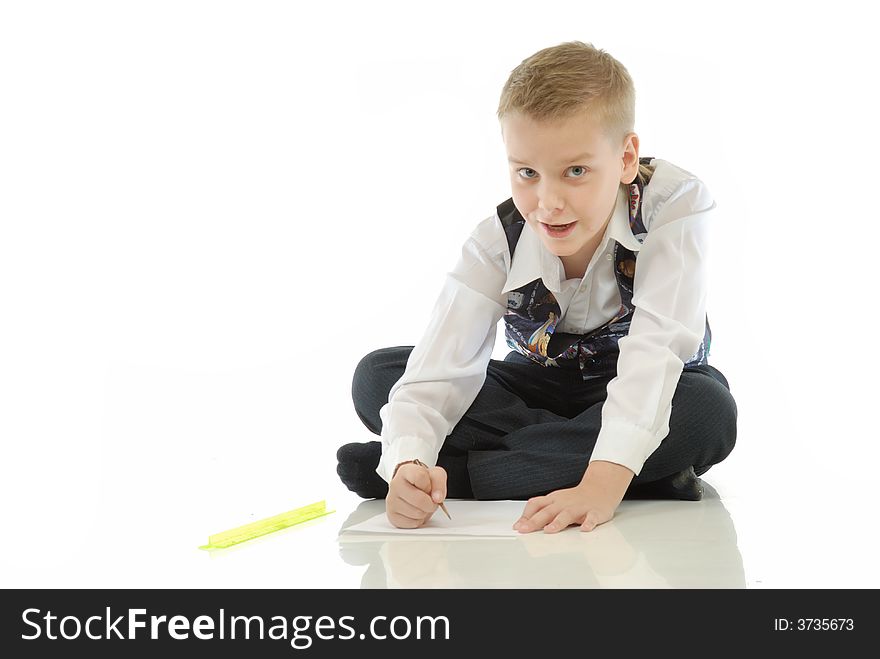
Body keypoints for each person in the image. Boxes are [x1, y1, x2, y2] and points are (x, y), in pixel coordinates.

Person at [337, 40, 737, 533]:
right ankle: (639, 469)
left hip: (647, 381)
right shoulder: (496, 242)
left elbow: (657, 348)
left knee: (707, 409)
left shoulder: (672, 204)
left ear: (626, 157)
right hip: (537, 390)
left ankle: (470, 476)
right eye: (527, 173)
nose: (547, 203)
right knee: (378, 376)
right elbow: (437, 370)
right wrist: (409, 464)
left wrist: (601, 487)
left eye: (575, 171)